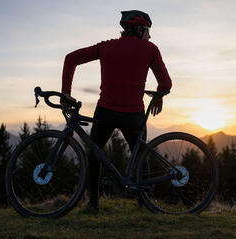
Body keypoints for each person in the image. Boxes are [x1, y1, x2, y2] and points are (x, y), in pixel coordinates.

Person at [61, 10, 172, 213]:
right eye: (147, 31)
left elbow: (70, 59)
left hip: (106, 112)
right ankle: (143, 204)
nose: (149, 36)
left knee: (94, 154)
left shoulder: (106, 47)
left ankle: (93, 203)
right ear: (139, 30)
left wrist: (66, 93)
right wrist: (158, 96)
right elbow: (165, 83)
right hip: (134, 114)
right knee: (140, 158)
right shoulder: (150, 49)